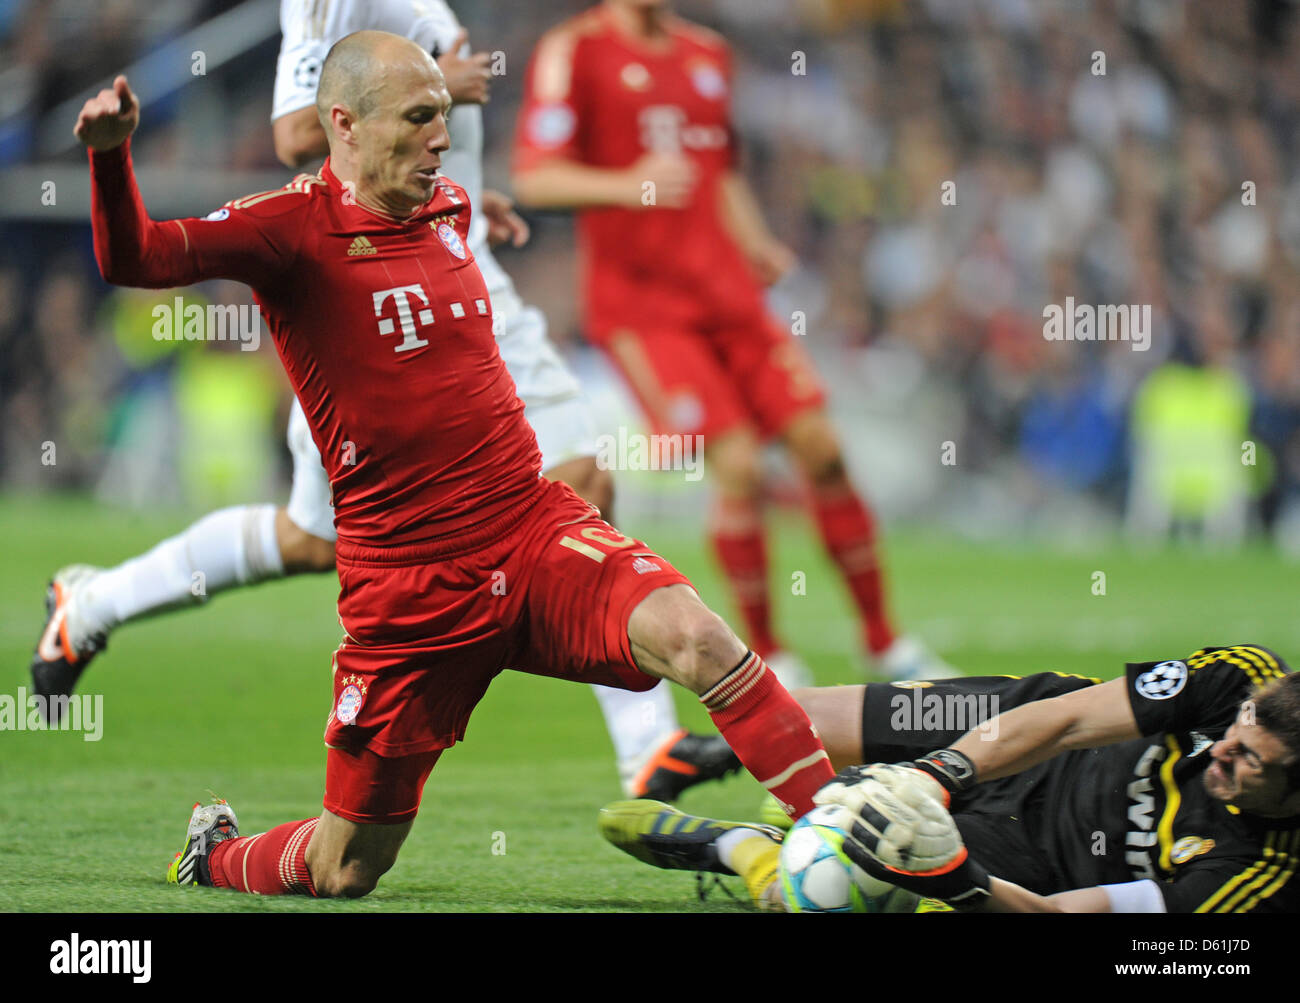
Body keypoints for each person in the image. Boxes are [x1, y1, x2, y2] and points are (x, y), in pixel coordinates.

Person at [76, 30, 839, 899]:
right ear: (346, 125)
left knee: (701, 638)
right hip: (409, 588)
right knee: (348, 866)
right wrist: (109, 160)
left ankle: (839, 840)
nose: (442, 138)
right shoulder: (288, 230)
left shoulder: (447, 209)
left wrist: (497, 204)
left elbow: (457, 219)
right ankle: (213, 855)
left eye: (444, 115)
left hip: (532, 527)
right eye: (419, 118)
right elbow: (134, 255)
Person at [512, 0, 948, 684]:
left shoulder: (706, 52)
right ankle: (770, 650)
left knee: (823, 451)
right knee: (739, 465)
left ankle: (885, 641)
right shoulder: (574, 50)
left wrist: (756, 244)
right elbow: (536, 175)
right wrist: (631, 185)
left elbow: (719, 173)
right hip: (644, 311)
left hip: (730, 297)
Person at [600, 644, 1300, 912]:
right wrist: (937, 774)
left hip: (1041, 858)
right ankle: (711, 755)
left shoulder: (1258, 884)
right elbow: (1068, 718)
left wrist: (954, 876)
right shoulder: (1245, 676)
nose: (1219, 753)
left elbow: (1064, 917)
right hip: (1019, 722)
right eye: (1231, 732)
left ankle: (746, 850)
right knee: (790, 716)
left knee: (826, 895)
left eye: (1248, 760)